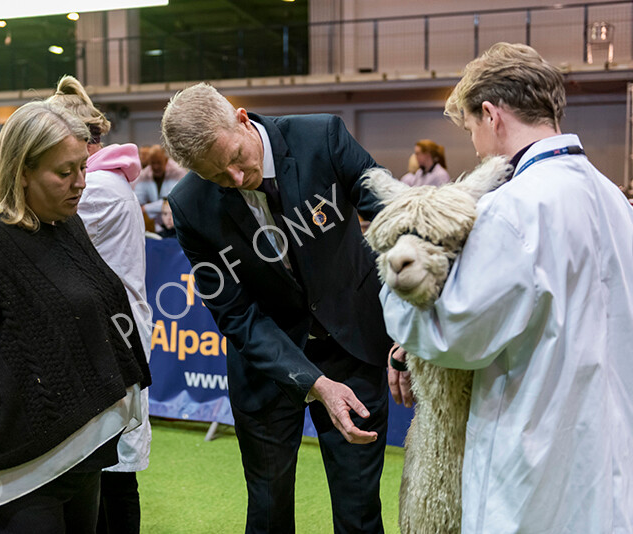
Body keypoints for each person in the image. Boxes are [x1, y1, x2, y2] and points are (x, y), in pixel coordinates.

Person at [384, 43, 633, 533]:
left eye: (472, 128)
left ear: (492, 115)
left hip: (533, 455)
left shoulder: (514, 205)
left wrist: (397, 299)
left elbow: (454, 335)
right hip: (609, 455)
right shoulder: (613, 200)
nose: (475, 147)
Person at [162, 82, 393, 534]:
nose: (232, 178)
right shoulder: (188, 205)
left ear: (243, 119)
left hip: (354, 346)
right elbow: (237, 315)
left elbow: (396, 216)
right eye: (213, 176)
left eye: (233, 158)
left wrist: (410, 327)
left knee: (359, 508)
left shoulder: (322, 137)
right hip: (267, 368)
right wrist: (315, 383)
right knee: (267, 511)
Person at [0, 101, 151, 534]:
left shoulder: (64, 225)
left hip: (80, 455)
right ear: (21, 170)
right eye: (64, 173)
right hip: (20, 475)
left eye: (82, 167)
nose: (80, 183)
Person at [47, 74, 152, 534]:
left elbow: (20, 236)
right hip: (107, 340)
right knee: (105, 472)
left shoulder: (97, 189)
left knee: (112, 475)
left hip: (109, 344)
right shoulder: (108, 181)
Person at [133, 144, 186, 225]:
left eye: (159, 162)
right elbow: (138, 200)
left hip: (176, 223)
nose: (156, 167)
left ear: (165, 160)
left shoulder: (178, 172)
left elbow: (171, 201)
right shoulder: (144, 175)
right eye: (153, 163)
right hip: (156, 225)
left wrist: (147, 208)